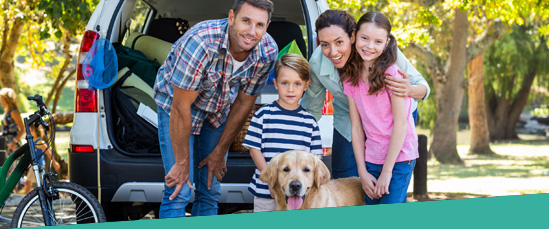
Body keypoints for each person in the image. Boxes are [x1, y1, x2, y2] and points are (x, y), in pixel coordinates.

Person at [153, 0, 278, 217]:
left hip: (217, 109)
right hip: (177, 106)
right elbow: (181, 107)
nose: (251, 31)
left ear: (267, 27)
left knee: (210, 189)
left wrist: (220, 151)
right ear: (231, 17)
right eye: (245, 21)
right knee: (179, 189)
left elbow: (244, 102)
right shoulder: (201, 42)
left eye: (259, 25)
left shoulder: (267, 51)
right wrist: (182, 162)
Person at [300, 10, 429, 179]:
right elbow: (311, 109)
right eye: (325, 44)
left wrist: (410, 90)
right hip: (348, 119)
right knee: (345, 178)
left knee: (390, 179)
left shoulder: (379, 50)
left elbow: (423, 86)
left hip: (391, 120)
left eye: (339, 42)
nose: (333, 52)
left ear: (353, 37)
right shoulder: (317, 63)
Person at [342, 11, 418, 204]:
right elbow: (356, 127)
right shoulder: (351, 78)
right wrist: (362, 172)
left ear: (386, 44)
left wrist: (387, 171)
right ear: (354, 37)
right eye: (364, 38)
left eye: (377, 41)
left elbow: (401, 125)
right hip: (372, 157)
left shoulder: (392, 74)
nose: (369, 46)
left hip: (399, 157)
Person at [242, 53, 323, 212]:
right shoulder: (263, 115)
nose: (291, 89)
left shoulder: (309, 122)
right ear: (276, 84)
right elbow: (254, 148)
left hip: (297, 196)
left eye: (297, 84)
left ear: (306, 86)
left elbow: (315, 160)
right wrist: (272, 182)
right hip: (266, 192)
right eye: (285, 83)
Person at [19, 125, 60, 194]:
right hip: (34, 165)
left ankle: (26, 197)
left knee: (29, 182)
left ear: (35, 131)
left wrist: (54, 163)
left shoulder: (39, 142)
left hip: (38, 165)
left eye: (30, 131)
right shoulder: (32, 141)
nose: (28, 133)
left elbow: (49, 153)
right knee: (41, 182)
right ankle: (49, 192)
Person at [1, 88, 25, 155]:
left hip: (12, 144)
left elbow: (23, 129)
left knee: (13, 164)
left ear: (6, 99)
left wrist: (14, 142)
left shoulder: (14, 112)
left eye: (1, 98)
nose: (0, 100)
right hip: (5, 143)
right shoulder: (6, 111)